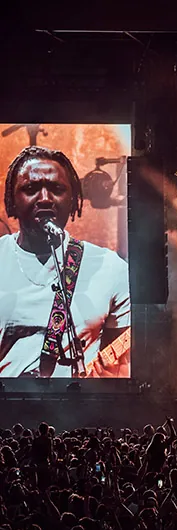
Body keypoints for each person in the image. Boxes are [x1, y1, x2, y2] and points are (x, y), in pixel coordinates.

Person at [0, 146, 130, 378]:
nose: (45, 198)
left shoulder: (110, 269)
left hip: (75, 413)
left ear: (73, 200)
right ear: (12, 200)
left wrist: (114, 377)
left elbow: (121, 366)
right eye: (30, 189)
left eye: (56, 189)